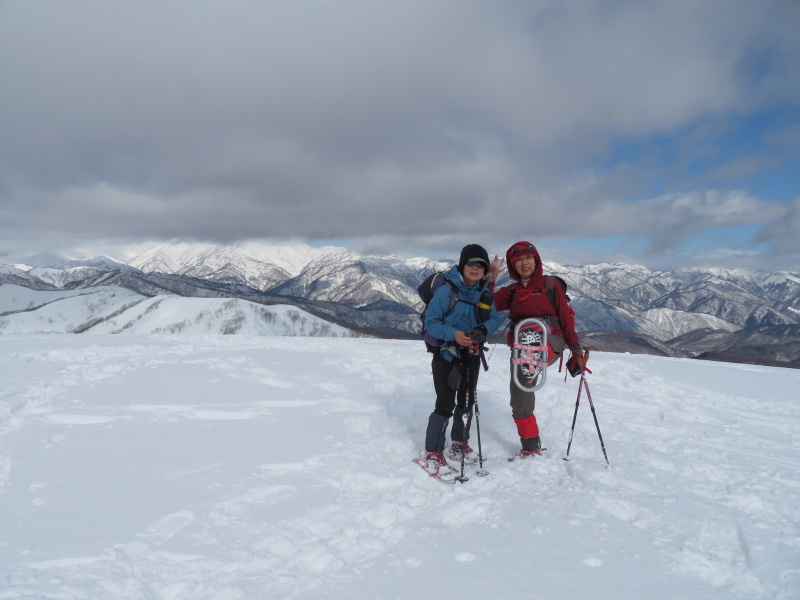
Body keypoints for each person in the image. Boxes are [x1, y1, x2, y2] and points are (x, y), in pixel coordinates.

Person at [493, 241, 585, 456]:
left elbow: (565, 318)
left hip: (551, 339)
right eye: (518, 260)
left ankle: (531, 353)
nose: (524, 263)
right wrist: (491, 279)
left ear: (536, 260)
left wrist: (576, 349)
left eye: (528, 258)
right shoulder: (511, 291)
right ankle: (530, 445)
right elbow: (487, 304)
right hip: (520, 345)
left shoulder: (551, 285)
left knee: (531, 342)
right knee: (520, 395)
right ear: (512, 265)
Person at [421, 244, 504, 471]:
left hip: (471, 353)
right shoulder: (447, 290)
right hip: (446, 353)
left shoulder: (483, 290)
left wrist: (483, 330)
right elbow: (431, 322)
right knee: (445, 403)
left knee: (466, 400)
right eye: (471, 263)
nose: (475, 268)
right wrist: (454, 335)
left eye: (480, 265)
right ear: (462, 264)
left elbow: (496, 318)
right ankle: (433, 451)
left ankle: (459, 442)